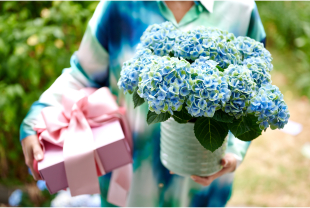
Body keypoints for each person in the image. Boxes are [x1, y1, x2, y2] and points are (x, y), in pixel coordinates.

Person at [20, 1, 266, 206]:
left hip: (199, 189)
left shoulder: (241, 9)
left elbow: (256, 91)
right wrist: (36, 120)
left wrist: (233, 152)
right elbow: (82, 74)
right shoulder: (118, 5)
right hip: (129, 186)